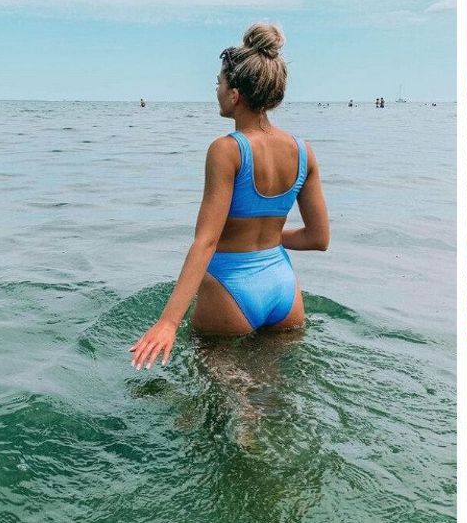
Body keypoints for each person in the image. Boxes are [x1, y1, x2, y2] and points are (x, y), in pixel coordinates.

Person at [130, 22, 330, 370]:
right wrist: (266, 235)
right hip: (284, 291)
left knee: (225, 411)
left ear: (235, 94)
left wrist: (168, 323)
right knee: (275, 402)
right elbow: (319, 238)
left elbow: (205, 242)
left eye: (218, 83)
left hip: (229, 289)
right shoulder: (304, 152)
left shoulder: (226, 151)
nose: (216, 90)